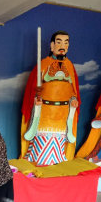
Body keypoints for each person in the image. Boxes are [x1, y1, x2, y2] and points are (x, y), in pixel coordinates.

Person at [20, 31, 81, 166]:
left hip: (63, 113)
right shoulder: (43, 64)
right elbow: (33, 90)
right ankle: (39, 164)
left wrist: (73, 101)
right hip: (45, 112)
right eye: (59, 42)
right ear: (52, 45)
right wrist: (36, 99)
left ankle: (57, 164)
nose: (62, 46)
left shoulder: (70, 66)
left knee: (59, 146)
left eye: (66, 43)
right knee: (41, 145)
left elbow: (74, 90)